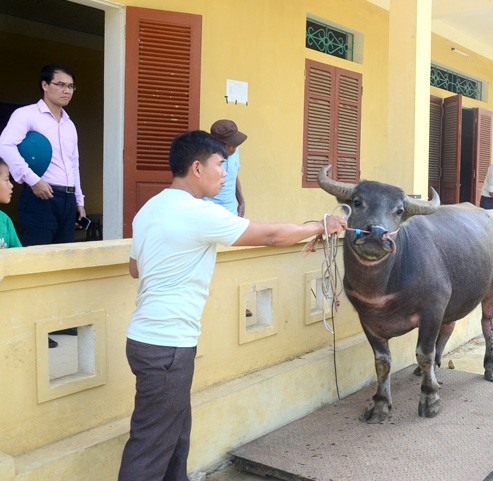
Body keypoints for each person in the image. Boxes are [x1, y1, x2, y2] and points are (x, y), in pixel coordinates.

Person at [118, 131, 347, 481]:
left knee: (175, 435)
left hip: (147, 340)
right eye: (220, 165)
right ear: (197, 168)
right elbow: (268, 236)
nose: (225, 174)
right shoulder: (197, 213)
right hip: (167, 346)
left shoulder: (150, 208)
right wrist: (321, 225)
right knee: (150, 445)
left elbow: (136, 269)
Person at [0, 64, 85, 246]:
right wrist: (33, 180)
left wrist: (79, 201)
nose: (67, 91)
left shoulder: (69, 124)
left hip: (68, 200)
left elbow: (74, 164)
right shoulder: (26, 114)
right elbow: (5, 145)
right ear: (45, 85)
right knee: (37, 259)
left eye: (71, 86)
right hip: (40, 197)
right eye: (60, 84)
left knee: (64, 260)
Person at [203, 119, 247, 216]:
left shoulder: (235, 151)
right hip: (210, 214)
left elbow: (234, 175)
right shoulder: (205, 158)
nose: (235, 148)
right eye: (232, 144)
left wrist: (241, 201)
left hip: (231, 212)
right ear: (218, 144)